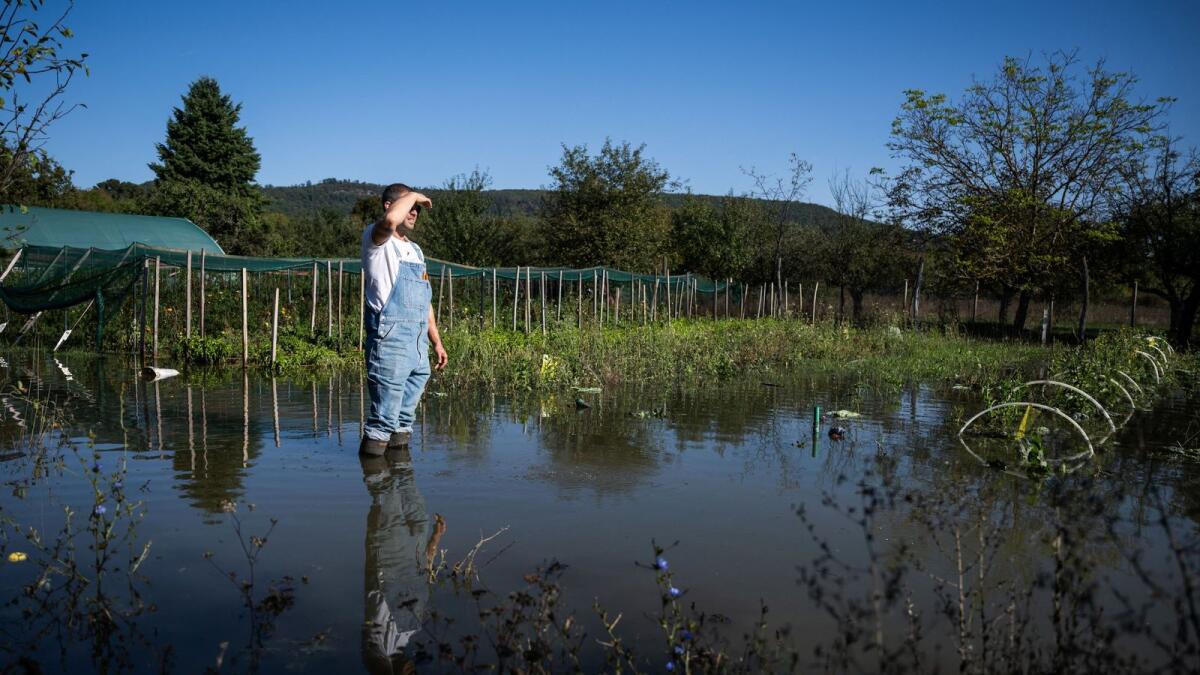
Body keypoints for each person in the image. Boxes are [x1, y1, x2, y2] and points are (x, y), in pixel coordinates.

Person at [360, 183, 448, 456]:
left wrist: (436, 341)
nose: (414, 213)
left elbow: (425, 300)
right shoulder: (377, 240)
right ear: (390, 205)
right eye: (410, 207)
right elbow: (389, 221)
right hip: (390, 341)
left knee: (404, 420)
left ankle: (400, 478)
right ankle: (376, 485)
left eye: (418, 210)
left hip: (418, 344)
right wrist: (415, 195)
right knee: (383, 420)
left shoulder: (416, 250)